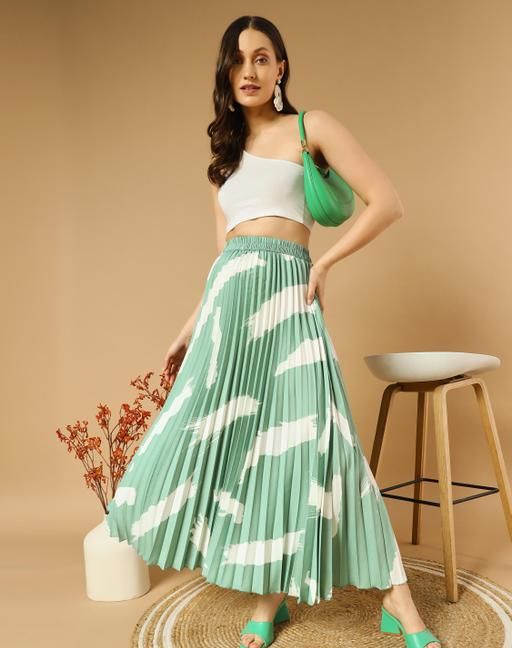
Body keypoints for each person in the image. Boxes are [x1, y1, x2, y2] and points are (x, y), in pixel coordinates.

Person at [105, 14, 441, 648]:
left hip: (290, 298)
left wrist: (324, 262)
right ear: (225, 74)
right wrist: (190, 326)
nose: (249, 71)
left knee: (321, 440)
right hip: (229, 312)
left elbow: (387, 201)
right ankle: (270, 600)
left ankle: (397, 599)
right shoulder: (222, 164)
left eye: (261, 58)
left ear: (281, 67)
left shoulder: (312, 128)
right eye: (237, 61)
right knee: (253, 450)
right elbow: (223, 258)